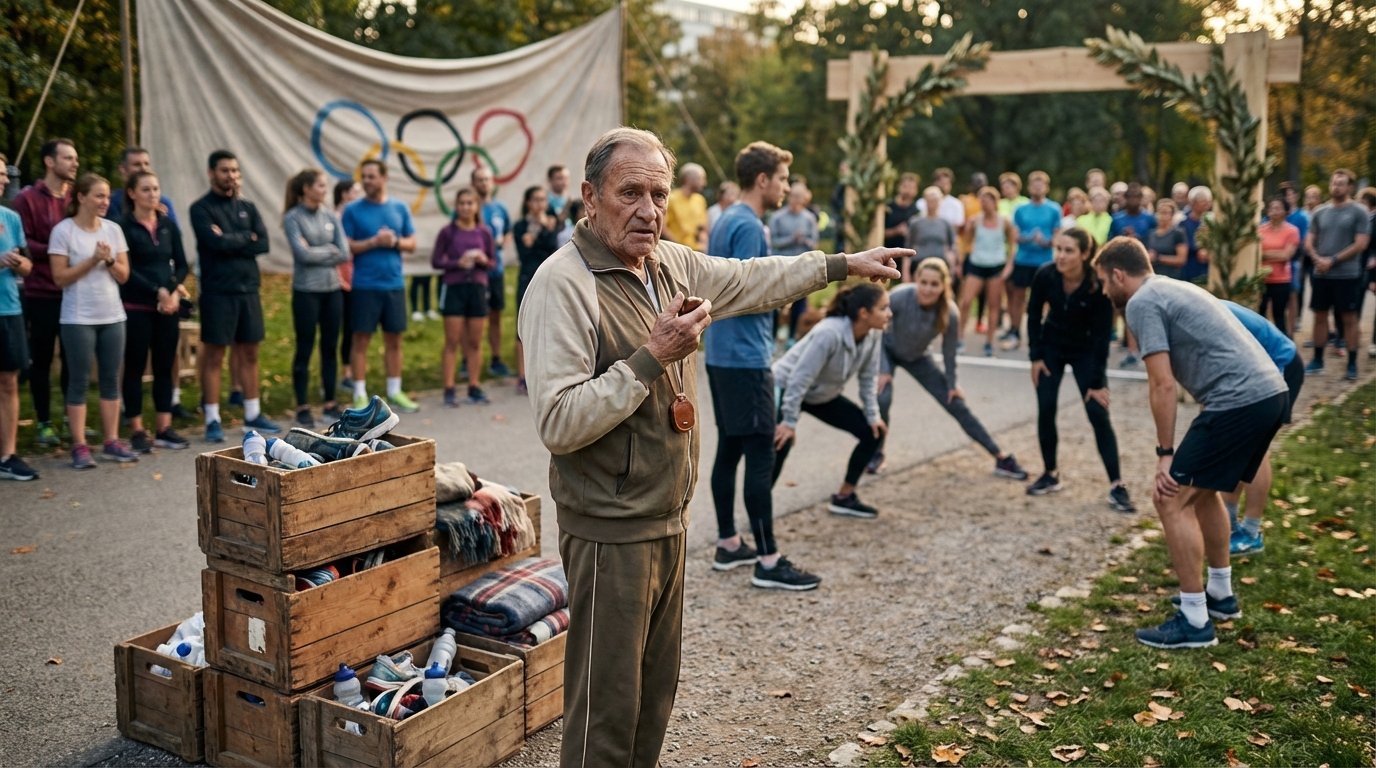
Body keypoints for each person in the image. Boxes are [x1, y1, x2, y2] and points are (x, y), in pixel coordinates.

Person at [518, 127, 902, 768]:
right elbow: (558, 422)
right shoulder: (562, 284)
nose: (648, 209)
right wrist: (651, 358)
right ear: (590, 197)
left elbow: (753, 279)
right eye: (630, 192)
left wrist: (840, 265)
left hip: (667, 521)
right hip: (610, 531)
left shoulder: (667, 263)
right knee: (603, 715)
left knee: (652, 700)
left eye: (659, 194)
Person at [1097, 236, 1289, 650]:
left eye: (1103, 282)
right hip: (1269, 392)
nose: (1103, 291)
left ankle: (1195, 621)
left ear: (1117, 274)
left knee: (1170, 498)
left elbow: (1162, 384)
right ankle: (1219, 595)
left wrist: (1165, 455)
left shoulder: (1141, 302)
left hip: (1238, 399)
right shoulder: (1172, 286)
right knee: (1201, 493)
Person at [703, 140, 819, 589]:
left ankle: (729, 544)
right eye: (784, 179)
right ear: (763, 180)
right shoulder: (750, 225)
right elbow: (753, 292)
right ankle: (769, 561)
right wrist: (785, 297)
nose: (787, 188)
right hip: (746, 357)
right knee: (760, 454)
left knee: (730, 448)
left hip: (720, 353)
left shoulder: (726, 216)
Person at [873, 258, 1029, 481]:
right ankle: (877, 452)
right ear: (916, 281)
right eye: (923, 282)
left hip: (918, 357)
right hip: (886, 352)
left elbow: (949, 353)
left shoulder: (950, 313)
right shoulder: (899, 297)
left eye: (934, 284)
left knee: (956, 403)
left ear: (944, 285)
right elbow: (875, 331)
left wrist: (952, 382)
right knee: (882, 398)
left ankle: (1000, 456)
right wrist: (882, 368)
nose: (928, 288)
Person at [1025, 229, 1131, 510]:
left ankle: (1117, 485)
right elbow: (1034, 315)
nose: (1060, 256)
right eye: (1058, 249)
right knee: (1046, 407)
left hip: (1086, 351)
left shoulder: (1098, 283)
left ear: (1085, 254)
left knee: (1098, 412)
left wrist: (1097, 382)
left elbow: (1101, 337)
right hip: (1052, 348)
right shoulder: (1045, 275)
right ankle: (1050, 473)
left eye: (1069, 250)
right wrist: (1035, 357)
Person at [772, 283, 890, 518]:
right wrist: (789, 421)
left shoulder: (873, 334)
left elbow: (868, 378)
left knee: (873, 432)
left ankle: (844, 498)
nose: (890, 313)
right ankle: (759, 509)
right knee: (779, 444)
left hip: (820, 395)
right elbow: (799, 377)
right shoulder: (829, 333)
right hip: (785, 387)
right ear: (864, 313)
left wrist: (873, 415)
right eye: (884, 308)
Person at [190, 150, 279, 441]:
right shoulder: (201, 208)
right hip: (217, 292)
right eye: (225, 170)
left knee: (250, 352)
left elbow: (262, 243)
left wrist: (231, 240)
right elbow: (213, 243)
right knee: (215, 355)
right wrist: (244, 238)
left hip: (248, 289)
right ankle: (212, 418)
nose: (231, 175)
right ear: (211, 173)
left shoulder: (248, 208)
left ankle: (252, 414)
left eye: (235, 171)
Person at [49, 174, 135, 467]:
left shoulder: (113, 230)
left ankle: (111, 440)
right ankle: (80, 446)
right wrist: (93, 260)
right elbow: (60, 278)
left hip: (112, 315)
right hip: (77, 318)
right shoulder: (64, 232)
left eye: (107, 196)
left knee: (111, 380)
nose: (105, 202)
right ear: (81, 197)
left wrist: (109, 260)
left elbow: (124, 275)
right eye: (99, 196)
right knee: (79, 381)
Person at [1219, 300, 1304, 557]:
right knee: (1234, 446)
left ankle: (1251, 533)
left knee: (1256, 448)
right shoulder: (1192, 307)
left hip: (1280, 365)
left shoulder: (1200, 314)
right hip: (1255, 369)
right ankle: (1230, 525)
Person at [117, 170, 190, 452]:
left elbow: (183, 264)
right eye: (146, 189)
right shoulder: (123, 226)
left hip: (167, 307)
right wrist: (155, 291)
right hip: (136, 305)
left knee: (164, 366)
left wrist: (171, 289)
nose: (152, 194)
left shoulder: (168, 225)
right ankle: (136, 428)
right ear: (132, 193)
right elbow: (128, 269)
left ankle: (164, 426)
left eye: (156, 189)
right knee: (135, 367)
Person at [341, 159, 421, 412]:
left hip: (394, 284)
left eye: (372, 176)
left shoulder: (400, 208)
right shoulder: (353, 210)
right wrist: (375, 241)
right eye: (364, 176)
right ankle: (360, 393)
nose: (366, 181)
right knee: (361, 339)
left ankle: (395, 391)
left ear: (384, 178)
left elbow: (412, 243)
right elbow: (347, 246)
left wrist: (394, 241)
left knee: (394, 339)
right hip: (364, 285)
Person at [13, 138, 76, 447]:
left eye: (75, 158)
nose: (74, 164)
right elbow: (23, 243)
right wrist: (61, 250)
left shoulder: (76, 197)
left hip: (73, 292)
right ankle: (43, 423)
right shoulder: (26, 199)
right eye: (68, 158)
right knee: (42, 359)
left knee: (72, 358)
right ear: (50, 162)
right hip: (40, 291)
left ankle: (70, 419)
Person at [283, 168, 348, 428]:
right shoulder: (293, 217)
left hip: (332, 290)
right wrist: (327, 251)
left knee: (330, 347)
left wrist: (319, 251)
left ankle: (330, 402)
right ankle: (302, 405)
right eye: (320, 185)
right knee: (305, 346)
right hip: (306, 291)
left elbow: (343, 252)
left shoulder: (330, 215)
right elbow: (301, 255)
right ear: (306, 189)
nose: (324, 189)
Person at [1304, 169, 1371, 380]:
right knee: (1320, 316)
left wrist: (1332, 260)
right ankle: (1317, 359)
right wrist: (1317, 258)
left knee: (1349, 318)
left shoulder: (1359, 212)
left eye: (1341, 183)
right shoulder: (1319, 212)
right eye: (1334, 183)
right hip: (1321, 274)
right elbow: (1309, 240)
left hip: (1347, 274)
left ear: (1350, 187)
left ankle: (1351, 364)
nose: (1336, 187)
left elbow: (1361, 243)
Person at [432, 187, 494, 407]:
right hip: (454, 288)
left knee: (475, 342)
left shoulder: (483, 232)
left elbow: (493, 262)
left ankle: (474, 386)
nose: (466, 207)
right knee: (452, 340)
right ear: (456, 206)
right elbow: (436, 261)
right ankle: (449, 389)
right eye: (462, 203)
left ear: (476, 206)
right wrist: (456, 263)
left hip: (477, 288)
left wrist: (483, 260)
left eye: (470, 203)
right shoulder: (448, 232)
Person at [512, 185, 561, 395]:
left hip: (549, 279)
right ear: (527, 203)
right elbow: (524, 254)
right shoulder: (520, 226)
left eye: (543, 199)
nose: (539, 204)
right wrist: (534, 236)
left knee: (550, 325)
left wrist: (544, 230)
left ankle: (547, 374)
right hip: (527, 277)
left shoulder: (552, 224)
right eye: (535, 199)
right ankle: (522, 376)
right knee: (523, 325)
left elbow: (553, 249)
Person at [0, 194, 35, 480]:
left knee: (9, 381)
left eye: (2, 175)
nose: (1, 180)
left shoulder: (10, 218)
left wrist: (16, 263)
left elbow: (28, 266)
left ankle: (8, 455)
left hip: (9, 308)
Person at [1005, 171, 1061, 350]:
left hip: (1044, 261)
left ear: (1046, 187)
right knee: (1017, 297)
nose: (1037, 188)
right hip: (1023, 260)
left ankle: (1041, 332)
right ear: (1029, 187)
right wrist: (1029, 237)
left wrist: (1046, 241)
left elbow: (1058, 237)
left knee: (1044, 298)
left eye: (1041, 185)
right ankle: (1015, 331)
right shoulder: (1020, 209)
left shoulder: (1054, 209)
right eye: (1034, 185)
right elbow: (1014, 236)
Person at [959, 186, 1016, 356]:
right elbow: (965, 242)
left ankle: (989, 342)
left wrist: (1008, 266)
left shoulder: (1004, 221)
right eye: (981, 201)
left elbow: (1012, 245)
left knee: (994, 305)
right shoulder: (975, 220)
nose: (983, 204)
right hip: (977, 264)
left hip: (996, 265)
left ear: (994, 202)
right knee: (966, 302)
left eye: (986, 200)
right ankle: (959, 338)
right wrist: (960, 262)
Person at [472, 166, 514, 378]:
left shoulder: (500, 208)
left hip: (495, 270)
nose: (484, 183)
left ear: (492, 182)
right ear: (473, 184)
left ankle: (496, 359)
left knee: (495, 316)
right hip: (473, 275)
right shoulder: (468, 207)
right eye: (479, 180)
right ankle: (468, 361)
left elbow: (508, 230)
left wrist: (501, 243)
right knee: (473, 319)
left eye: (487, 179)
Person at [769, 182, 821, 340]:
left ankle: (792, 337)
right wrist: (791, 239)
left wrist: (804, 241)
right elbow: (772, 242)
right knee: (776, 303)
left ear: (804, 198)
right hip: (781, 266)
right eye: (792, 196)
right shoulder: (777, 217)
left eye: (798, 197)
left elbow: (814, 243)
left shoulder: (809, 218)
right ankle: (772, 336)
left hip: (801, 267)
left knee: (799, 303)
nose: (794, 200)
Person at [1257, 196, 1300, 335]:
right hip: (1262, 279)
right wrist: (1276, 253)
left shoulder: (1292, 231)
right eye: (1271, 208)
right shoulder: (1260, 230)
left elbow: (1286, 255)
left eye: (1278, 208)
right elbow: (1254, 253)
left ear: (1285, 211)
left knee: (1279, 316)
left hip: (1281, 280)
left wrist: (1264, 254)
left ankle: (1284, 346)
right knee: (1260, 314)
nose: (1274, 211)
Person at [333, 180, 361, 393]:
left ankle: (348, 373)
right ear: (344, 195)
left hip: (357, 279)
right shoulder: (334, 218)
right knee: (335, 329)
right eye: (355, 192)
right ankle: (334, 377)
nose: (359, 195)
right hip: (337, 280)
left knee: (352, 328)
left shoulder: (358, 216)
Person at [106, 147, 177, 224]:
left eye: (146, 164)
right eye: (137, 164)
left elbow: (174, 233)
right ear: (123, 169)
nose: (143, 168)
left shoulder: (163, 201)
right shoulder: (112, 201)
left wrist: (161, 218)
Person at [907, 186, 957, 281]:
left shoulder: (945, 223)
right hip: (919, 264)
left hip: (940, 264)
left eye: (935, 200)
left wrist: (952, 268)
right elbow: (908, 247)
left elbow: (951, 248)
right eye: (929, 200)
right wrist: (906, 273)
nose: (932, 203)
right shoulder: (915, 222)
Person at [1280, 182, 1310, 335]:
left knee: (1293, 295)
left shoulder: (1302, 217)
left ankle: (1293, 327)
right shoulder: (1272, 215)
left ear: (1297, 196)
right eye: (1286, 195)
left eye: (1292, 194)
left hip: (1294, 261)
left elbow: (1303, 241)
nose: (1289, 197)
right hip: (1276, 263)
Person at [664, 163, 709, 250]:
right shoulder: (671, 199)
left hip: (696, 252)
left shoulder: (700, 200)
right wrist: (677, 246)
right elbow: (663, 227)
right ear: (689, 179)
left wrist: (703, 243)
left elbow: (702, 227)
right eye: (702, 179)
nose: (704, 183)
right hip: (675, 251)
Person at [1144, 199, 1188, 280]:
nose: (1162, 216)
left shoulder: (1178, 233)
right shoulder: (1150, 234)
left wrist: (1159, 258)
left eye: (1165, 213)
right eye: (1159, 212)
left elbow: (1181, 260)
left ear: (1172, 215)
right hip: (1153, 278)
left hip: (1171, 277)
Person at [1179, 186, 1213, 283]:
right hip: (1190, 264)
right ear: (1193, 203)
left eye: (1208, 201)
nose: (1207, 204)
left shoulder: (1213, 222)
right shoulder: (1183, 223)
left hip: (1208, 265)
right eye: (1203, 201)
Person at [884, 173, 922, 249]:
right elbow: (878, 232)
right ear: (899, 187)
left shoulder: (917, 212)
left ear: (916, 191)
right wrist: (896, 231)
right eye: (905, 186)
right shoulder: (887, 207)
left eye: (911, 188)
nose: (907, 190)